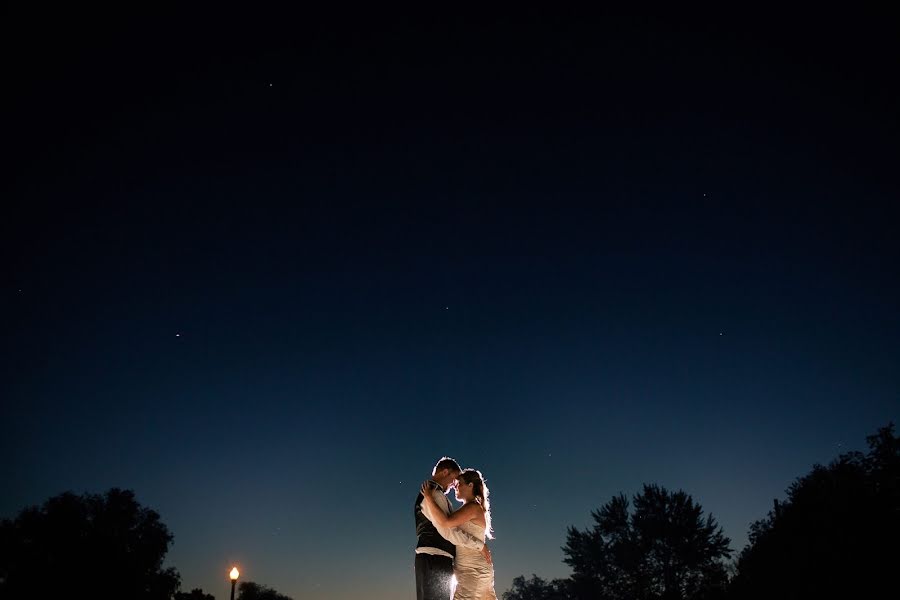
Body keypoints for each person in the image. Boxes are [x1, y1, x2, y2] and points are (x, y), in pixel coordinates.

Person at [415, 457, 491, 600]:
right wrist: (479, 545)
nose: (454, 485)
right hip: (436, 558)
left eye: (458, 483)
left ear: (469, 485)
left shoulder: (469, 506)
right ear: (445, 472)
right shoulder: (433, 494)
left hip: (466, 566)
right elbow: (446, 528)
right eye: (454, 480)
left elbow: (447, 524)